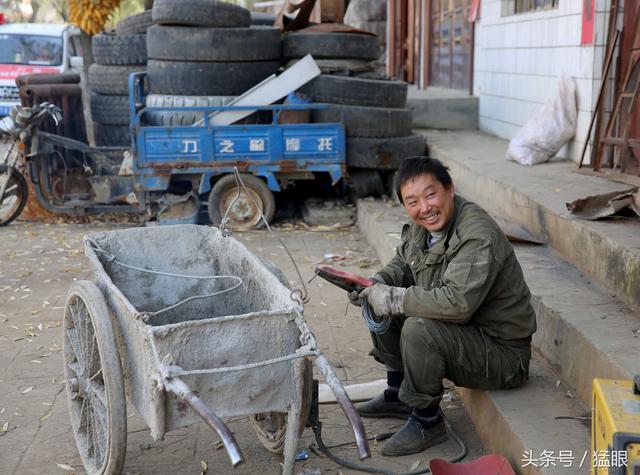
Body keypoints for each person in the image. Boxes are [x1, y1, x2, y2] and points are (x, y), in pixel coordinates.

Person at [350, 156, 536, 456]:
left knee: (417, 326)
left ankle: (427, 421)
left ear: (450, 189)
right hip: (466, 334)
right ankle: (398, 393)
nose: (424, 208)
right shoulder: (421, 228)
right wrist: (375, 284)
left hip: (501, 354)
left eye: (430, 194)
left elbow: (458, 303)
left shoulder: (477, 234)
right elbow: (403, 264)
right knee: (379, 304)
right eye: (412, 201)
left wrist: (395, 297)